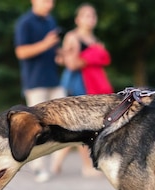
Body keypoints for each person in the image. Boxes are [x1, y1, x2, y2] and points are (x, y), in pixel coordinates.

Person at [51, 3, 111, 177]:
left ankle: (57, 162)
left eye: (92, 15)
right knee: (83, 125)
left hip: (93, 84)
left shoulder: (96, 41)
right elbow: (71, 63)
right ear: (78, 19)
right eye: (86, 15)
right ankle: (87, 166)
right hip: (77, 84)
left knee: (74, 127)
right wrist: (91, 57)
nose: (90, 19)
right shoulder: (73, 37)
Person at [14, 0, 66, 183]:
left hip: (54, 80)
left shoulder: (51, 21)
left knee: (63, 121)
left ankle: (54, 165)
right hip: (35, 82)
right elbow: (21, 52)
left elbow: (51, 50)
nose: (49, 4)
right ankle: (38, 168)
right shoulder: (25, 22)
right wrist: (45, 44)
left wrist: (59, 54)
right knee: (36, 126)